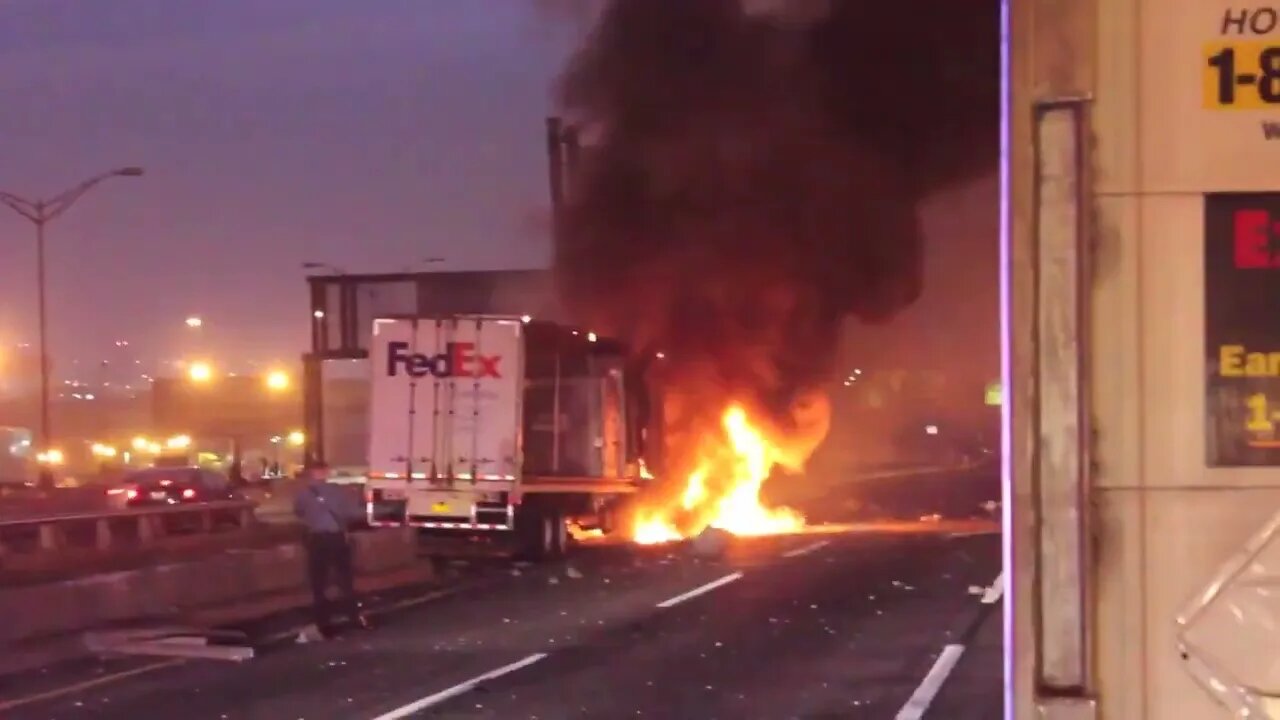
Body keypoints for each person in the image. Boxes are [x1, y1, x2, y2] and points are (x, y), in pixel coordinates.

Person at [292, 461, 370, 636]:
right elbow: (351, 513)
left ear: (310, 473)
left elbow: (298, 512)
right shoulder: (337, 491)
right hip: (336, 538)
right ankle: (352, 617)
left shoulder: (303, 494)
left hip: (316, 539)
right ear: (326, 472)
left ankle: (323, 624)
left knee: (318, 583)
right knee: (344, 580)